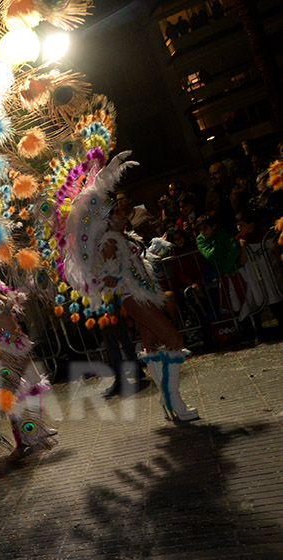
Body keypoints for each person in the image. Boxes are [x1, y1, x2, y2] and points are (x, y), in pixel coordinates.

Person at [63, 152, 199, 421]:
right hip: (135, 298)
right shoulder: (111, 242)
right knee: (174, 340)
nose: (123, 214)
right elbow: (108, 272)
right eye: (116, 212)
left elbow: (134, 262)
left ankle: (170, 404)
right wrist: (110, 277)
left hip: (147, 294)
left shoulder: (123, 236)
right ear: (105, 219)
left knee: (153, 347)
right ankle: (174, 402)